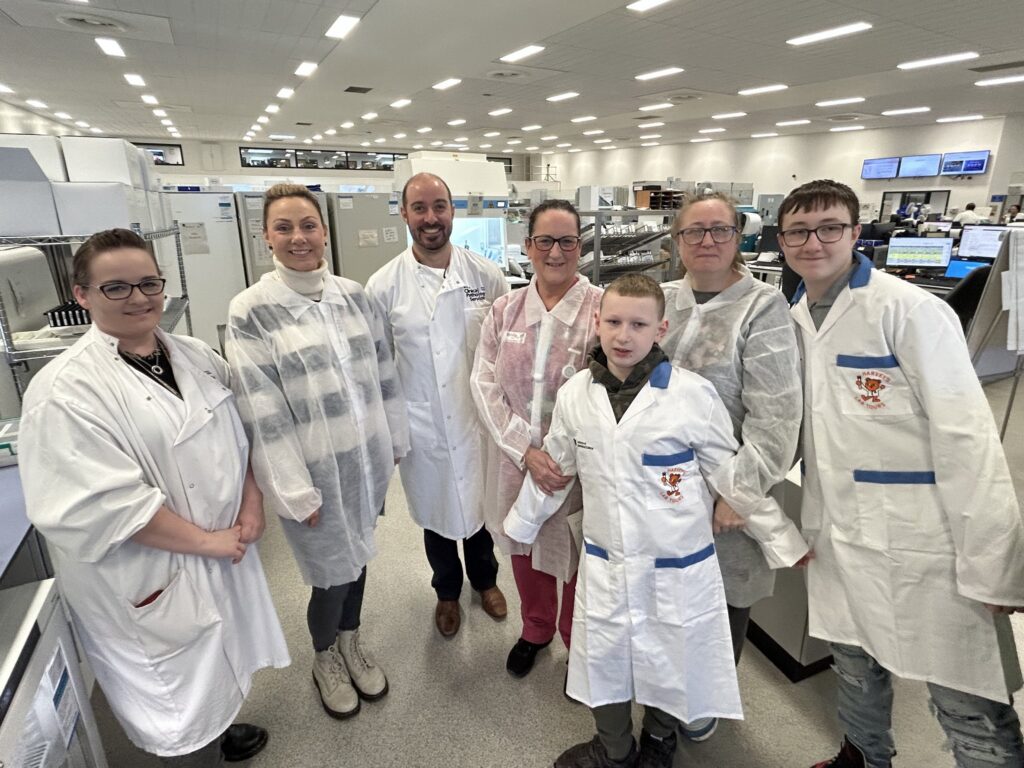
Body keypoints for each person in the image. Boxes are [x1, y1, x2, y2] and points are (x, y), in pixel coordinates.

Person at [19, 229, 289, 767]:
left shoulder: (193, 355)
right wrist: (208, 542)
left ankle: (217, 730)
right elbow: (106, 505)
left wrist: (252, 504)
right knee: (175, 697)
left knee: (217, 662)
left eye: (149, 283)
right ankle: (196, 751)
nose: (139, 298)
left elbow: (245, 431)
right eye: (116, 288)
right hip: (149, 568)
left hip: (221, 545)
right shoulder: (65, 390)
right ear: (82, 295)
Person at [779, 179, 1024, 768]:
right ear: (783, 242)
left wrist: (995, 563)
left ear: (856, 232)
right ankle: (863, 758)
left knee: (964, 696)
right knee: (854, 665)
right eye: (798, 232)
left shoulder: (911, 311)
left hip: (923, 539)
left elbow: (968, 439)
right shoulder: (794, 317)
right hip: (836, 530)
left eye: (829, 227)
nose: (813, 243)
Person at [505, 274, 775, 768]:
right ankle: (614, 749)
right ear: (597, 322)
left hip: (675, 562)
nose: (623, 335)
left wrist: (785, 543)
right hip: (607, 558)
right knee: (603, 655)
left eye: (637, 324)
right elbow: (558, 468)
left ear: (661, 329)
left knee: (671, 653)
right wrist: (521, 525)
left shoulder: (693, 395)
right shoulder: (575, 394)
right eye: (613, 321)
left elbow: (731, 473)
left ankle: (659, 741)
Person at [225, 183, 408, 720]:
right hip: (311, 472)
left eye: (308, 225)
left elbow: (384, 373)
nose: (298, 237)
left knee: (359, 554)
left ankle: (351, 641)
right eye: (284, 227)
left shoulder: (354, 295)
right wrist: (292, 488)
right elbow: (261, 410)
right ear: (266, 237)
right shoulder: (252, 311)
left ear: (324, 232)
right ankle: (324, 654)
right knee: (329, 574)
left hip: (366, 460)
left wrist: (394, 442)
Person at [660, 192, 809, 741]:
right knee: (667, 595)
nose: (706, 242)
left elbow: (777, 419)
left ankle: (705, 699)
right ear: (677, 241)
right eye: (694, 232)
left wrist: (737, 495)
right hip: (660, 485)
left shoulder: (763, 308)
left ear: (738, 237)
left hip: (726, 490)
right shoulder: (663, 298)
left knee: (720, 598)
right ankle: (663, 685)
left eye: (719, 230)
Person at [366, 172, 510, 637]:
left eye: (440, 206)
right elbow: (377, 368)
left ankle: (486, 581)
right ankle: (446, 591)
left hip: (477, 422)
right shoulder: (383, 286)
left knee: (480, 508)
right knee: (436, 514)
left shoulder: (485, 276)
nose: (431, 218)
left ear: (453, 211)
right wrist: (389, 432)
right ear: (404, 214)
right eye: (420, 208)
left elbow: (504, 353)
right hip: (422, 423)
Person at [470, 199, 602, 677]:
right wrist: (524, 449)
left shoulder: (603, 310)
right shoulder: (504, 310)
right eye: (544, 240)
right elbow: (482, 384)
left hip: (578, 466)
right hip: (517, 459)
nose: (555, 251)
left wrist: (562, 454)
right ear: (527, 246)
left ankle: (575, 640)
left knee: (575, 553)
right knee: (524, 548)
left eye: (567, 240)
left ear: (580, 247)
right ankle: (536, 628)